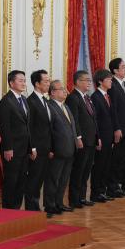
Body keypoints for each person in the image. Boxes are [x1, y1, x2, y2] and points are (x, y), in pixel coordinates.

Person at [0, 70, 35, 209]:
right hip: (12, 149)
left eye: (24, 80)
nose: (23, 83)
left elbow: (28, 126)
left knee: (21, 181)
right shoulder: (6, 101)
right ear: (11, 83)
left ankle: (17, 210)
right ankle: (8, 210)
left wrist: (31, 147)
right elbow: (5, 127)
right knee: (11, 181)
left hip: (24, 149)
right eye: (20, 80)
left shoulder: (24, 100)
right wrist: (7, 148)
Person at [65, 70, 98, 208]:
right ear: (78, 82)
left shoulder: (87, 97)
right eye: (86, 80)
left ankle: (82, 197)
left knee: (86, 171)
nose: (89, 83)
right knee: (78, 171)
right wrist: (78, 137)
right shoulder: (73, 98)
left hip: (91, 140)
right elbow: (75, 121)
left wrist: (97, 137)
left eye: (90, 80)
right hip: (82, 141)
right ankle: (74, 199)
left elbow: (93, 119)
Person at [45, 80, 77, 216]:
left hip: (69, 149)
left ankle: (59, 203)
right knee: (53, 179)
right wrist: (51, 148)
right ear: (52, 92)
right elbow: (49, 130)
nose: (65, 91)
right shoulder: (49, 106)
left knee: (64, 179)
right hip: (57, 150)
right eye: (61, 89)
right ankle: (49, 205)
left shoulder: (66, 107)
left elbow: (71, 127)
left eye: (65, 89)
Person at [26, 70, 53, 211]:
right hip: (36, 149)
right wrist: (32, 148)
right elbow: (30, 128)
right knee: (33, 180)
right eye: (46, 81)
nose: (49, 84)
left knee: (40, 179)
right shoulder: (30, 101)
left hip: (46, 147)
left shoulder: (45, 100)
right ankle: (32, 209)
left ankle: (36, 207)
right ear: (37, 83)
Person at [108, 58, 125, 196]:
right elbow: (114, 110)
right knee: (116, 160)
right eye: (123, 67)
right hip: (119, 129)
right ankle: (112, 187)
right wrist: (117, 128)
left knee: (123, 159)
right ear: (115, 70)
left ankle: (119, 184)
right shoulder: (113, 86)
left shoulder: (123, 85)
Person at [90, 69, 115, 202]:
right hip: (101, 137)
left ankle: (102, 190)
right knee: (99, 165)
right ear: (100, 81)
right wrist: (97, 137)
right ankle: (96, 192)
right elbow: (96, 120)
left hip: (109, 136)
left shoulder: (108, 96)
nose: (111, 82)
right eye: (108, 79)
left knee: (106, 165)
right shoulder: (95, 97)